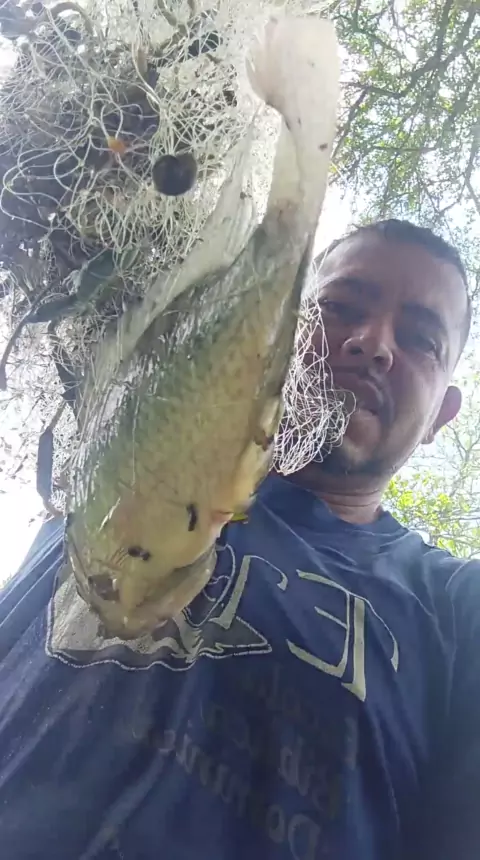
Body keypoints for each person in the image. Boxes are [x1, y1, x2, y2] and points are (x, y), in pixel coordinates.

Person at [0, 219, 478, 860]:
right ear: (283, 327)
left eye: (420, 338)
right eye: (340, 307)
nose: (372, 343)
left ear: (442, 416)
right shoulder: (123, 468)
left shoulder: (456, 606)